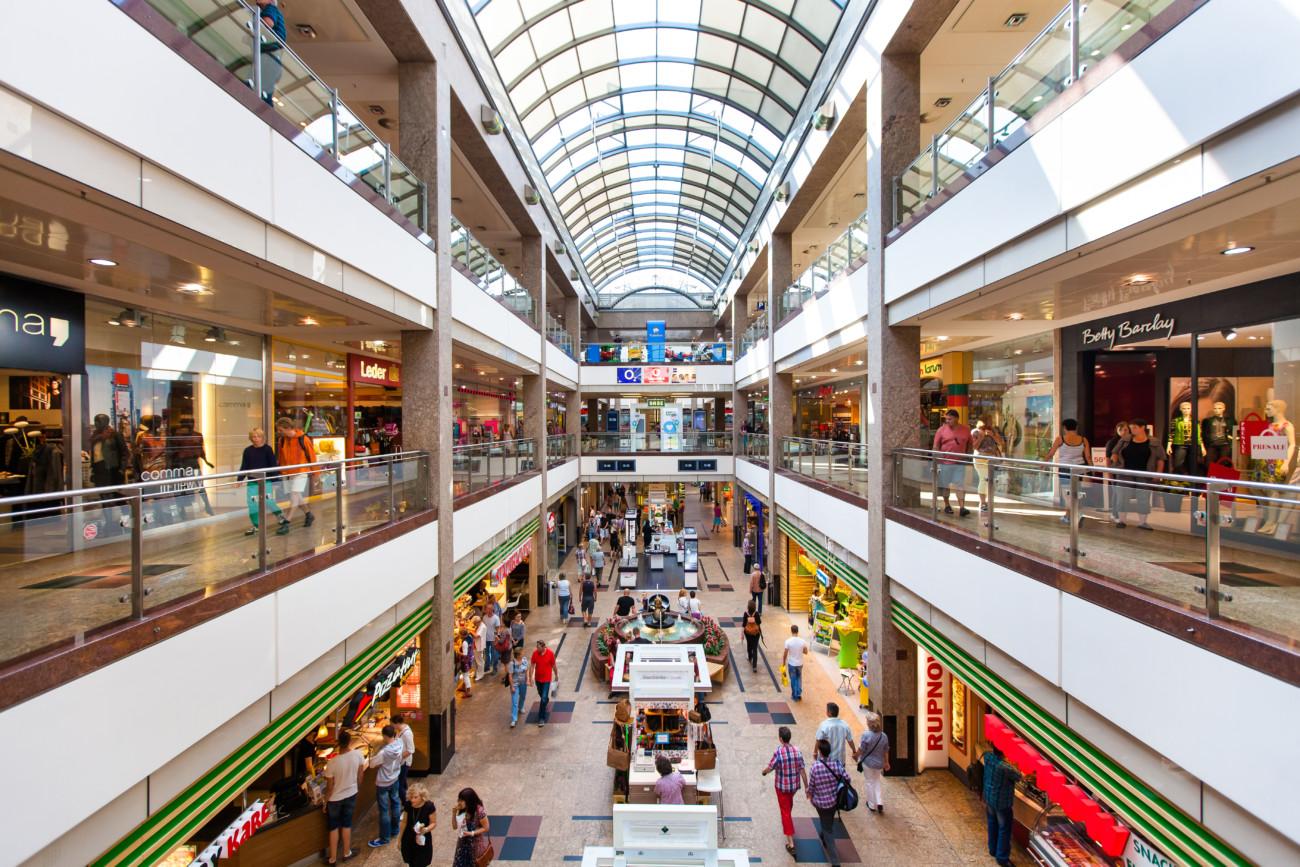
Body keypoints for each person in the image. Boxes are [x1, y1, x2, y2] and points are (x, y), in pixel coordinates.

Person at [761, 726, 807, 857]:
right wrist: (807, 787)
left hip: (782, 787)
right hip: (793, 787)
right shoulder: (797, 751)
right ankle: (789, 825)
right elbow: (802, 770)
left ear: (780, 739)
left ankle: (791, 843)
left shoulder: (779, 752)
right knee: (788, 805)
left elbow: (771, 766)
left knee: (785, 812)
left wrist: (764, 772)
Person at [322, 730, 366, 865]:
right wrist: (356, 788)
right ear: (350, 741)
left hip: (335, 799)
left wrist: (325, 802)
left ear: (337, 743)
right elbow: (360, 775)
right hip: (351, 794)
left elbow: (329, 787)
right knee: (347, 824)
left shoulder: (332, 763)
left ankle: (332, 859)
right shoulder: (358, 755)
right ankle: (347, 853)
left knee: (333, 828)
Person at [238, 428, 291, 536]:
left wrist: (276, 482)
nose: (256, 439)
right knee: (252, 504)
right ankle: (257, 526)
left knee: (269, 502)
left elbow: (273, 466)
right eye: (254, 437)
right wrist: (239, 479)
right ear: (250, 438)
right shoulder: (247, 451)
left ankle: (282, 520)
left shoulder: (267, 449)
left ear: (262, 438)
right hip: (253, 482)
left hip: (266, 481)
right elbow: (244, 466)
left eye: (258, 436)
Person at [1112, 418, 1162, 530]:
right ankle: (1122, 520)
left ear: (1142, 427)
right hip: (1125, 472)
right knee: (1122, 496)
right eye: (1131, 428)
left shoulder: (1154, 442)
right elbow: (1114, 452)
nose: (1132, 430)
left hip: (1144, 472)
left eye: (1134, 427)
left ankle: (1143, 522)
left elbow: (1160, 459)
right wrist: (1115, 463)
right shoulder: (1125, 440)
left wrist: (1158, 473)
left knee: (1143, 496)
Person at [807, 738, 849, 867]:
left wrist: (809, 793)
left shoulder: (815, 767)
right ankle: (824, 833)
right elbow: (847, 778)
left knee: (828, 829)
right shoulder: (836, 764)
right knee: (828, 821)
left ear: (820, 752)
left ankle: (835, 862)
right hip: (834, 801)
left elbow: (812, 786)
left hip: (820, 803)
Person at [1046, 418, 1092, 525]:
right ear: (1076, 428)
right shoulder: (1083, 440)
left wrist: (1043, 463)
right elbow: (1088, 457)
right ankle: (1069, 516)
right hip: (1079, 468)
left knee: (1067, 494)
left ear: (1064, 428)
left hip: (1065, 468)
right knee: (1076, 493)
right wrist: (1090, 470)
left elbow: (1051, 453)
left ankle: (1075, 515)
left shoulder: (1060, 439)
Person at [982, 744, 1021, 867]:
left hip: (989, 797)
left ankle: (993, 849)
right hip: (1002, 802)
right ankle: (1002, 858)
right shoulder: (1004, 767)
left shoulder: (988, 757)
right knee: (1004, 828)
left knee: (992, 823)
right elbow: (1019, 776)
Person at [366, 724, 405, 848]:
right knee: (395, 803)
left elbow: (372, 764)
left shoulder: (384, 752)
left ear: (384, 736)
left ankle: (384, 838)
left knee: (383, 810)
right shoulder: (399, 743)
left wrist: (372, 755)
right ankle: (395, 830)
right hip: (395, 778)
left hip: (383, 782)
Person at [275, 417, 316, 528]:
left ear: (287, 428)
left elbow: (312, 456)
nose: (279, 432)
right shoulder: (282, 440)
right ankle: (308, 514)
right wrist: (283, 472)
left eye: (280, 430)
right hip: (288, 473)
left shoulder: (304, 439)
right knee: (296, 496)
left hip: (301, 471)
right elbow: (281, 458)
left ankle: (287, 521)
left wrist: (316, 473)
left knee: (294, 495)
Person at [933, 409, 972, 516]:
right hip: (945, 462)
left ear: (956, 419)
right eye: (946, 419)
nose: (947, 421)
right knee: (945, 485)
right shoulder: (941, 430)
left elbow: (970, 444)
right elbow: (936, 446)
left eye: (950, 419)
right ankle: (947, 505)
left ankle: (962, 507)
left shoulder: (966, 429)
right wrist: (936, 459)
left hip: (960, 462)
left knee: (960, 484)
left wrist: (968, 457)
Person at [970, 417, 1004, 520]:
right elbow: (974, 446)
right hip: (980, 459)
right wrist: (981, 437)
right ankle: (983, 502)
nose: (988, 424)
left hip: (991, 459)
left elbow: (1001, 443)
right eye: (986, 422)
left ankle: (988, 501)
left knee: (989, 480)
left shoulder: (993, 431)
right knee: (983, 479)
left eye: (989, 422)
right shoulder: (975, 432)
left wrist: (992, 435)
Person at [254, 0, 286, 106]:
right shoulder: (273, 11)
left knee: (257, 89)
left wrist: (251, 30)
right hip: (273, 60)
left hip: (269, 59)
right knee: (264, 93)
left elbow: (267, 24)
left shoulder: (270, 9)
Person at [856, 712, 890, 813]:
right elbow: (886, 750)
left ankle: (871, 804)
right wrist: (886, 762)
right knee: (877, 781)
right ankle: (879, 802)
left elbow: (862, 749)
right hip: (879, 764)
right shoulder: (884, 736)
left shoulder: (866, 735)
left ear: (869, 723)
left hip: (868, 763)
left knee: (869, 782)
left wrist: (856, 756)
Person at [452, 788, 490, 867]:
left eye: (462, 800)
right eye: (459, 800)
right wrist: (453, 813)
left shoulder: (479, 811)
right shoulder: (462, 809)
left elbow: (486, 827)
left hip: (475, 845)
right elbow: (455, 827)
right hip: (462, 844)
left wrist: (471, 833)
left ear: (469, 800)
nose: (459, 803)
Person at [400, 782, 435, 867]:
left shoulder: (429, 806)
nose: (412, 800)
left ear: (422, 797)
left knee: (421, 862)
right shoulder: (408, 805)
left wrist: (426, 829)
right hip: (409, 838)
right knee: (411, 862)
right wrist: (399, 839)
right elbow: (404, 821)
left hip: (422, 838)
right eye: (411, 797)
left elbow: (433, 823)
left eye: (415, 797)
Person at [1103, 421, 1130, 522]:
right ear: (1117, 431)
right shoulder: (1112, 442)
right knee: (1117, 493)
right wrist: (1109, 472)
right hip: (1115, 471)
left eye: (1126, 429)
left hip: (1126, 471)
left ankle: (1117, 513)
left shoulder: (1130, 441)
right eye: (1121, 429)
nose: (1124, 431)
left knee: (1121, 493)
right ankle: (1116, 514)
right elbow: (1107, 459)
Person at [815, 703, 855, 768]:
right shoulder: (845, 725)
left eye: (827, 710)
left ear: (829, 713)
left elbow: (818, 740)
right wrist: (854, 751)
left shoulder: (824, 725)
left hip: (826, 762)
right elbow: (850, 740)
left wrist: (815, 752)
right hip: (840, 761)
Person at [529, 639, 558, 727]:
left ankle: (541, 718)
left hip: (546, 679)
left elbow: (553, 665)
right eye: (536, 647)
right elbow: (532, 666)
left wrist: (556, 675)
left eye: (538, 647)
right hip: (538, 679)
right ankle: (545, 700)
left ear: (543, 647)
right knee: (541, 694)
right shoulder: (535, 654)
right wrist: (531, 678)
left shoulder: (550, 654)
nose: (537, 649)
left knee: (543, 697)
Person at [392, 712, 415, 802]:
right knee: (403, 783)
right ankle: (408, 800)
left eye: (393, 724)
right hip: (402, 762)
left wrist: (399, 757)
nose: (393, 726)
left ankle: (406, 805)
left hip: (405, 762)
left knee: (400, 786)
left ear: (397, 723)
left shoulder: (407, 733)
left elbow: (411, 750)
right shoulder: (401, 731)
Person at [782, 624, 809, 701]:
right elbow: (806, 652)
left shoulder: (788, 641)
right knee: (799, 679)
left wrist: (783, 662)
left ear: (791, 631)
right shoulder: (802, 641)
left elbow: (785, 653)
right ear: (797, 631)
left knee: (793, 679)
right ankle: (799, 693)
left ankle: (794, 695)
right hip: (800, 663)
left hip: (792, 664)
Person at [506, 646, 529, 728]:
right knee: (514, 702)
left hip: (523, 683)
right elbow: (510, 676)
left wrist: (528, 680)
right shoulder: (512, 663)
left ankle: (521, 707)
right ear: (518, 655)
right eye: (522, 653)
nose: (524, 654)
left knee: (523, 696)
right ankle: (514, 719)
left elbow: (526, 670)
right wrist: (512, 687)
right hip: (515, 684)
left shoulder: (524, 660)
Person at [741, 600, 762, 671]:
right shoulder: (756, 614)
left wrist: (742, 634)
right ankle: (754, 666)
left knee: (749, 645)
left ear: (748, 607)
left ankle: (750, 657)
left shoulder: (745, 614)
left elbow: (743, 625)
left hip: (748, 633)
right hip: (756, 633)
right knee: (755, 648)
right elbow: (759, 622)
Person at [480, 606, 501, 676]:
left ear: (492, 610)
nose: (486, 610)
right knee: (486, 654)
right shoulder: (484, 617)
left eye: (487, 609)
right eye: (486, 609)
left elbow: (498, 629)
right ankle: (487, 667)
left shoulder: (496, 618)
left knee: (494, 654)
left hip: (493, 639)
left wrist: (496, 638)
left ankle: (495, 669)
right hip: (486, 639)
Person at [458, 628, 475, 697]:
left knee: (465, 675)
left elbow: (464, 654)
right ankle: (463, 686)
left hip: (465, 661)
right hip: (470, 657)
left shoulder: (465, 642)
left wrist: (458, 652)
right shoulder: (470, 637)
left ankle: (468, 692)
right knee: (466, 674)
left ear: (462, 635)